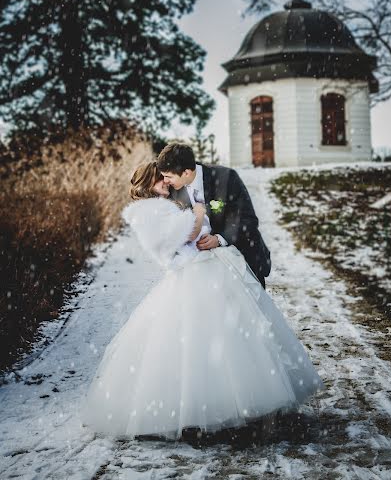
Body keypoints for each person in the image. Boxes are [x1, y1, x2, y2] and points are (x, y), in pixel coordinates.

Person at [80, 161, 325, 441]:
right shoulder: (150, 211)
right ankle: (207, 407)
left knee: (224, 332)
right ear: (148, 182)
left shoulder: (163, 204)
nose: (166, 182)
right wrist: (198, 212)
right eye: (159, 179)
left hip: (202, 267)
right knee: (197, 337)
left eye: (165, 178)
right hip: (191, 272)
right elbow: (189, 233)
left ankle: (232, 401)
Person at [157, 142, 271, 289]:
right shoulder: (174, 189)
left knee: (251, 308)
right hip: (204, 269)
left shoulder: (225, 178)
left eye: (168, 176)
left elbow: (247, 219)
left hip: (241, 260)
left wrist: (219, 239)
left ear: (186, 172)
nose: (165, 181)